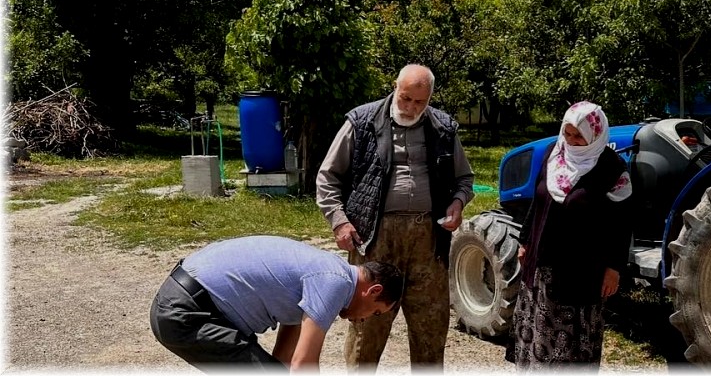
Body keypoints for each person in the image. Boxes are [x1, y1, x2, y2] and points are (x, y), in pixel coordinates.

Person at [315, 63, 474, 371]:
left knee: (430, 325)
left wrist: (458, 202)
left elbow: (464, 179)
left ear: (429, 98)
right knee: (367, 326)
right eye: (406, 98)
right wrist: (339, 220)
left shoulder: (443, 127)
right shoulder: (361, 121)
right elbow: (328, 177)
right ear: (395, 87)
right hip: (375, 238)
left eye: (419, 102)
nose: (411, 107)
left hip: (428, 240)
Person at [150, 235, 402, 372]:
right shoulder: (335, 282)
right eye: (375, 312)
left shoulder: (325, 275)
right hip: (188, 313)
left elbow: (284, 361)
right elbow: (304, 364)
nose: (363, 319)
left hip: (182, 305)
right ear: (373, 290)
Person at [506, 101, 634, 369]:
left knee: (571, 346)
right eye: (568, 133)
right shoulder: (554, 154)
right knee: (537, 338)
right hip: (542, 266)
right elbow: (538, 200)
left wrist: (614, 268)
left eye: (579, 136)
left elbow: (621, 223)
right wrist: (525, 240)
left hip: (581, 273)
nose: (572, 142)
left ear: (595, 135)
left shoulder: (611, 168)